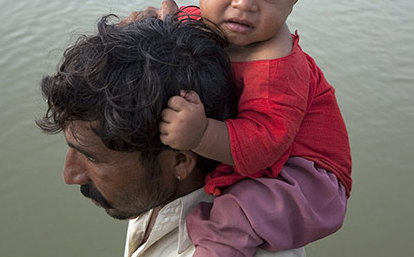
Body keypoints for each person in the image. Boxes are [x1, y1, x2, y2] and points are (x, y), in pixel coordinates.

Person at [137, 0, 352, 256]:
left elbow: (264, 144)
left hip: (304, 179)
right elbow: (176, 21)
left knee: (238, 212)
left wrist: (201, 132)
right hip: (262, 156)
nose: (244, 3)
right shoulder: (206, 21)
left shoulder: (278, 64)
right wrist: (149, 26)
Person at [36, 15, 306, 257]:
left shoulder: (235, 247)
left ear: (180, 162)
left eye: (91, 157)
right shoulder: (155, 188)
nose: (70, 175)